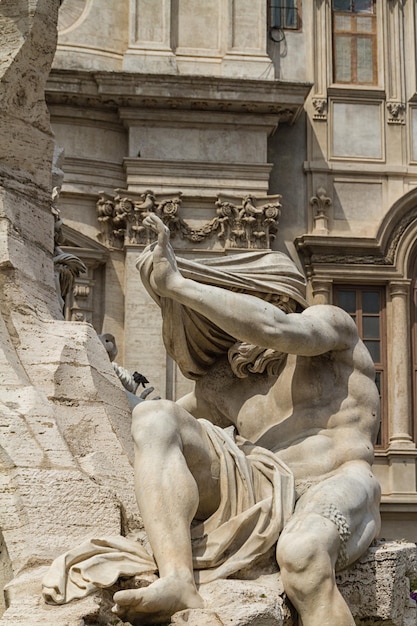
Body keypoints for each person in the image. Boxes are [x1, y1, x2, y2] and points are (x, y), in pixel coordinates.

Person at [109, 213, 381, 626]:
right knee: (154, 417)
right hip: (264, 484)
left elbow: (274, 328)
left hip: (339, 481)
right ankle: (178, 577)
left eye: (229, 300)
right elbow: (152, 419)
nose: (223, 317)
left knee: (302, 553)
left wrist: (179, 286)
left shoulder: (330, 329)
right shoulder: (222, 384)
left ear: (272, 296)